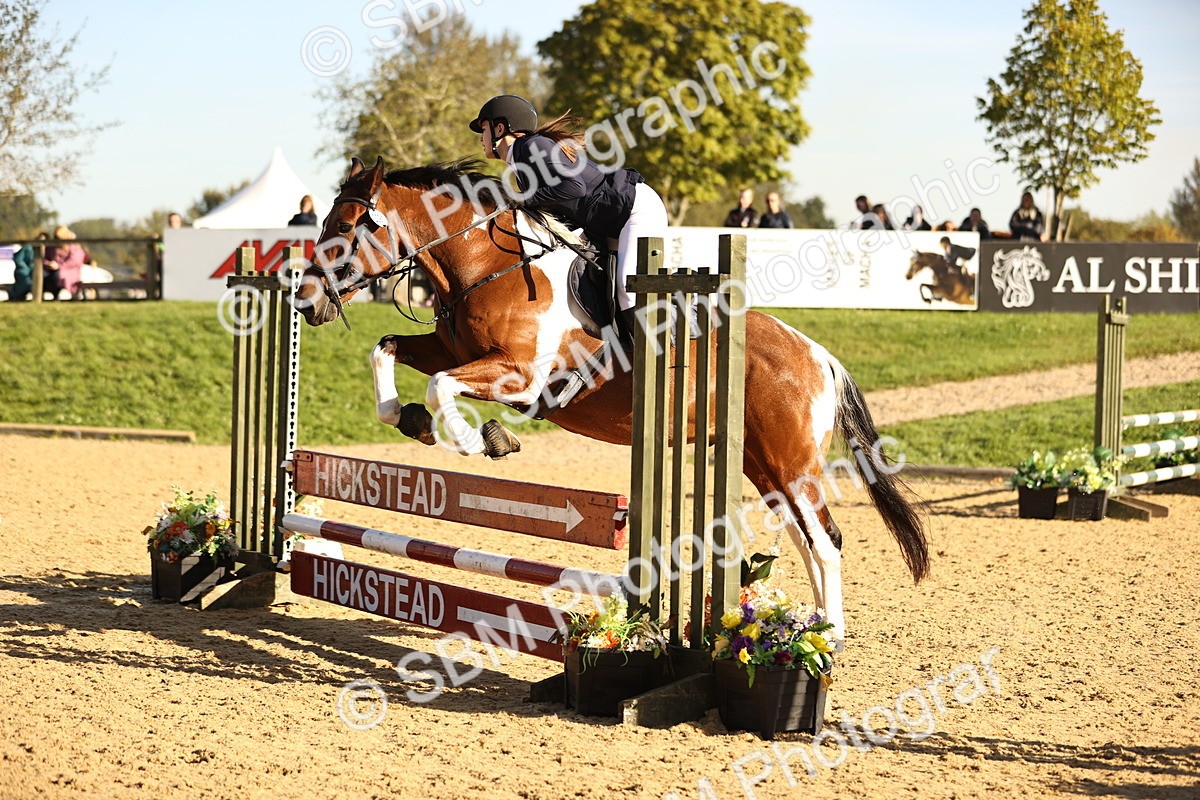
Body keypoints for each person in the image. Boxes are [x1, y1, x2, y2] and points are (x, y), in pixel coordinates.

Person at [470, 94, 667, 326]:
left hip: (634, 209)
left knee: (627, 289)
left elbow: (573, 187)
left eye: (483, 129)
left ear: (500, 128)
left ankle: (664, 347)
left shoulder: (533, 146)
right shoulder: (521, 162)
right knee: (605, 284)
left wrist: (522, 198)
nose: (481, 138)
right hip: (608, 221)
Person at [43, 225, 87, 299]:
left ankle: (58, 294)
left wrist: (59, 266)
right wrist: (48, 264)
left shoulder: (74, 246)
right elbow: (44, 258)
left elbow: (75, 261)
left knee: (56, 275)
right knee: (43, 274)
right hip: (51, 269)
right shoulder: (52, 247)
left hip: (69, 271)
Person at [9, 232, 44, 301]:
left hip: (33, 272)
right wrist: (27, 268)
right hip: (24, 271)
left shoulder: (45, 249)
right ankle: (15, 296)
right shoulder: (28, 247)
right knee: (25, 281)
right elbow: (18, 259)